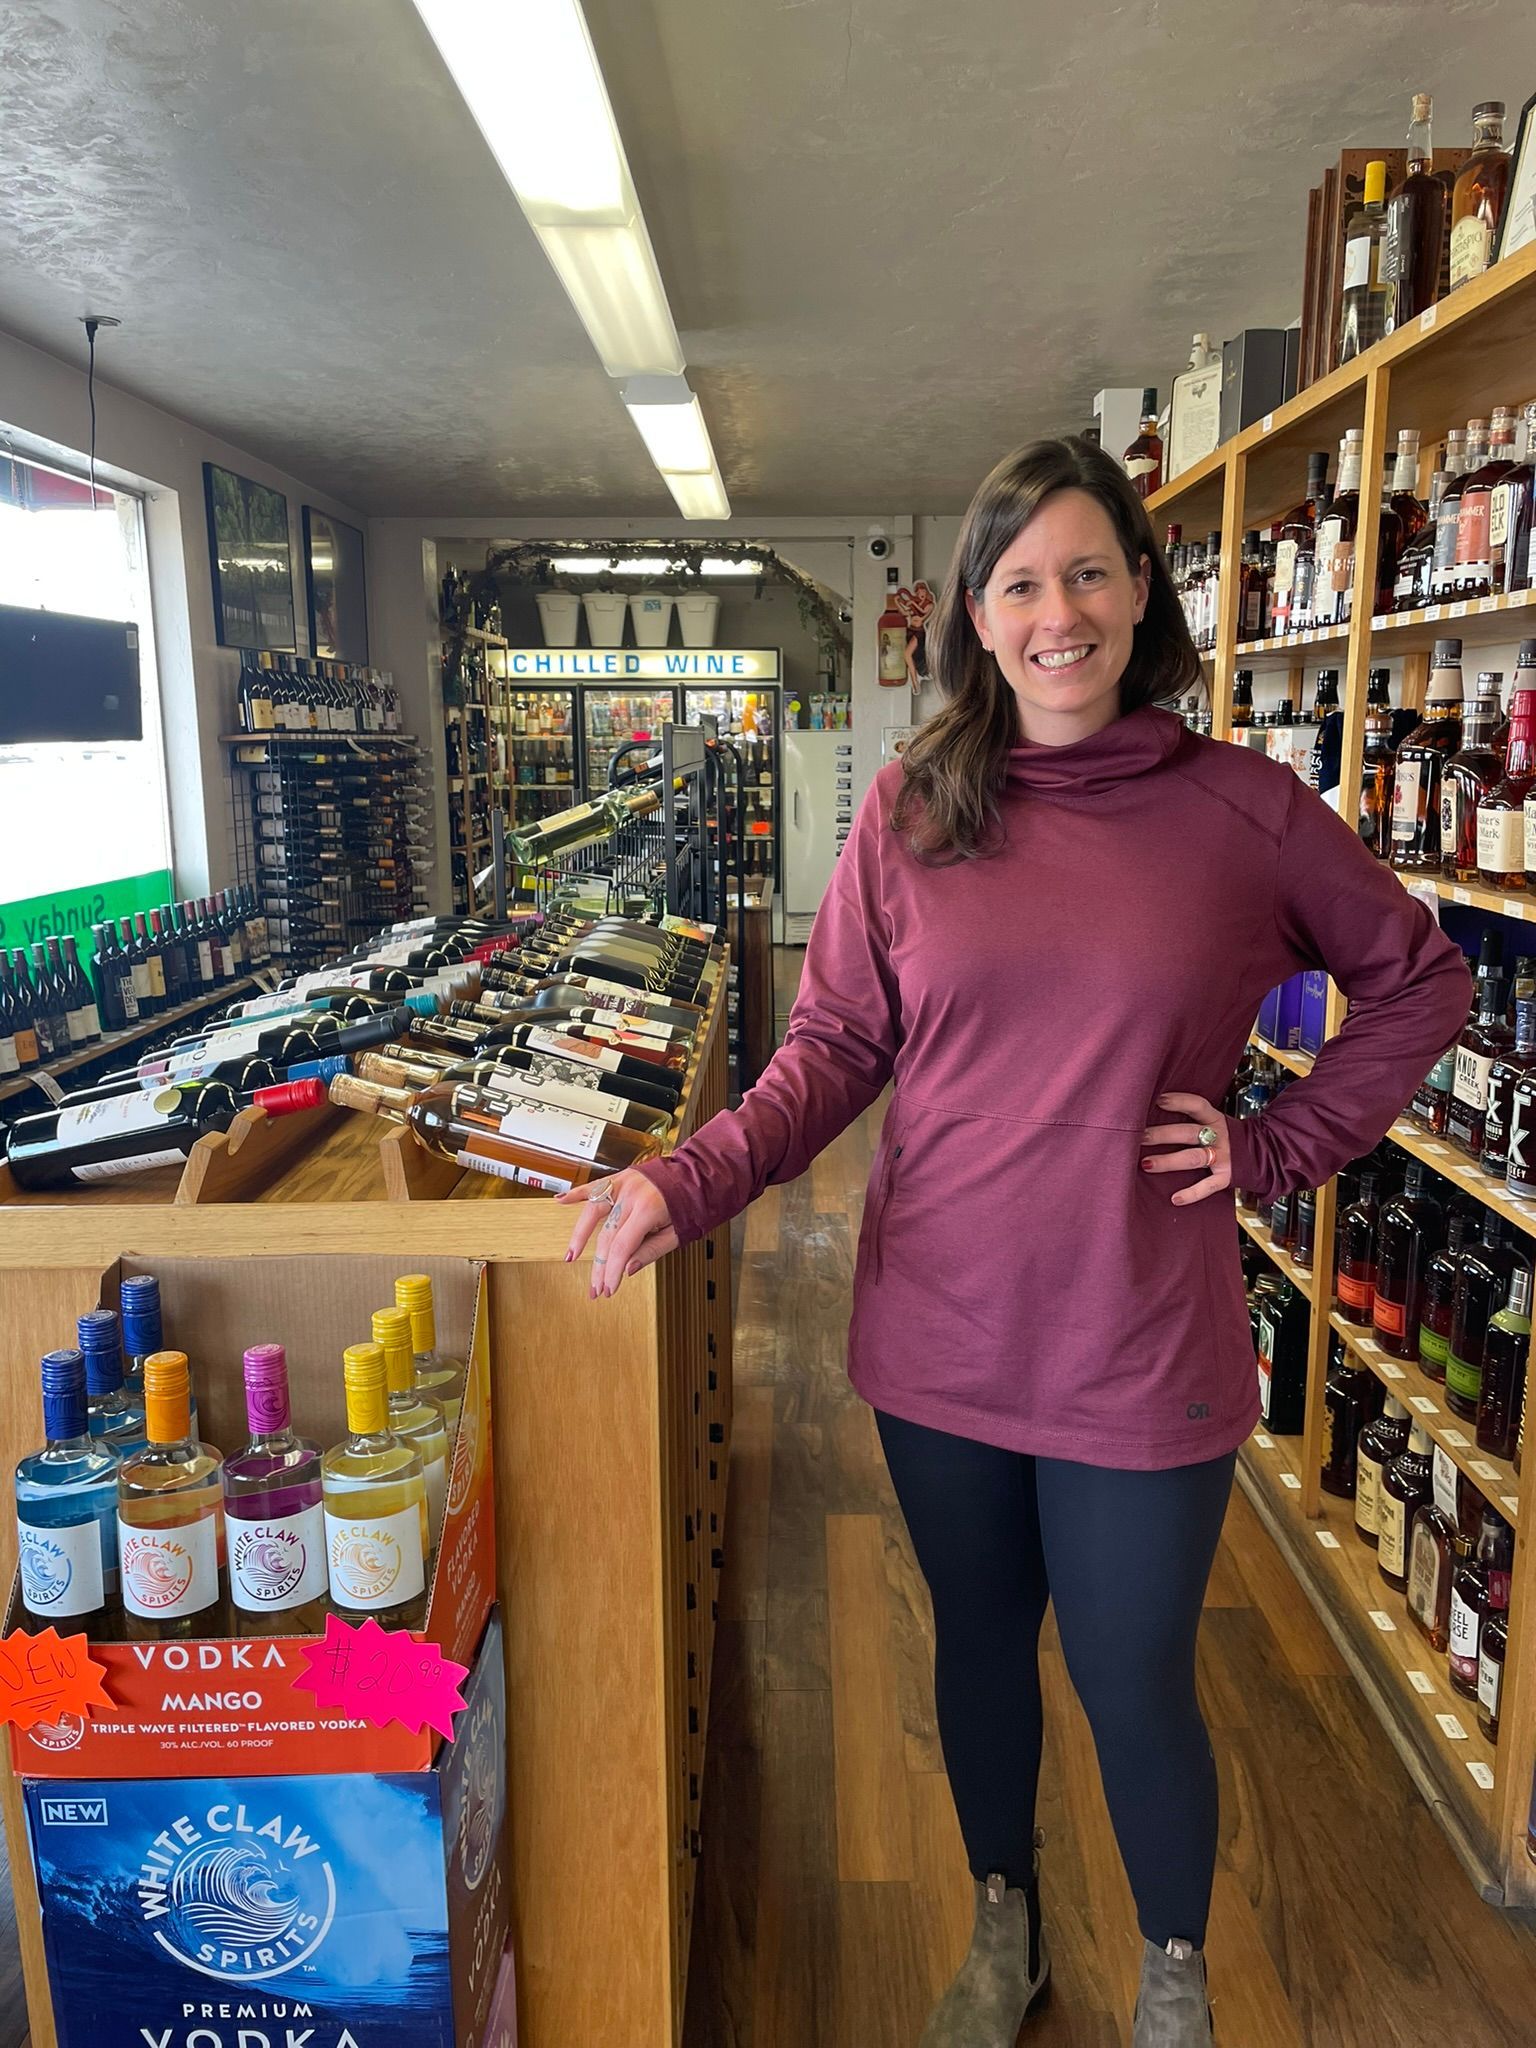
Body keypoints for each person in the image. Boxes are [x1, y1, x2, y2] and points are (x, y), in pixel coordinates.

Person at [559, 438, 1470, 2046]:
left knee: (1133, 1679)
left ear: (1140, 593)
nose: (1060, 613)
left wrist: (1282, 1144)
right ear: (976, 619)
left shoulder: (1246, 813)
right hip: (945, 1335)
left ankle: (1172, 1978)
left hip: (1142, 1336)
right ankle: (1006, 1925)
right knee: (981, 1647)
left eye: (1089, 573)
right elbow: (835, 1047)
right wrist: (681, 1178)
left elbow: (1421, 981)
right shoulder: (912, 813)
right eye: (1021, 583)